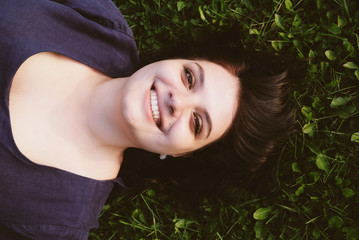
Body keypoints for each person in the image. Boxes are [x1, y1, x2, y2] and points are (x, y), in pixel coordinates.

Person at [0, 0, 298, 239]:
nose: (177, 100)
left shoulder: (55, 221)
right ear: (176, 58)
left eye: (197, 123)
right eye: (189, 77)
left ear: (183, 154)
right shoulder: (98, 22)